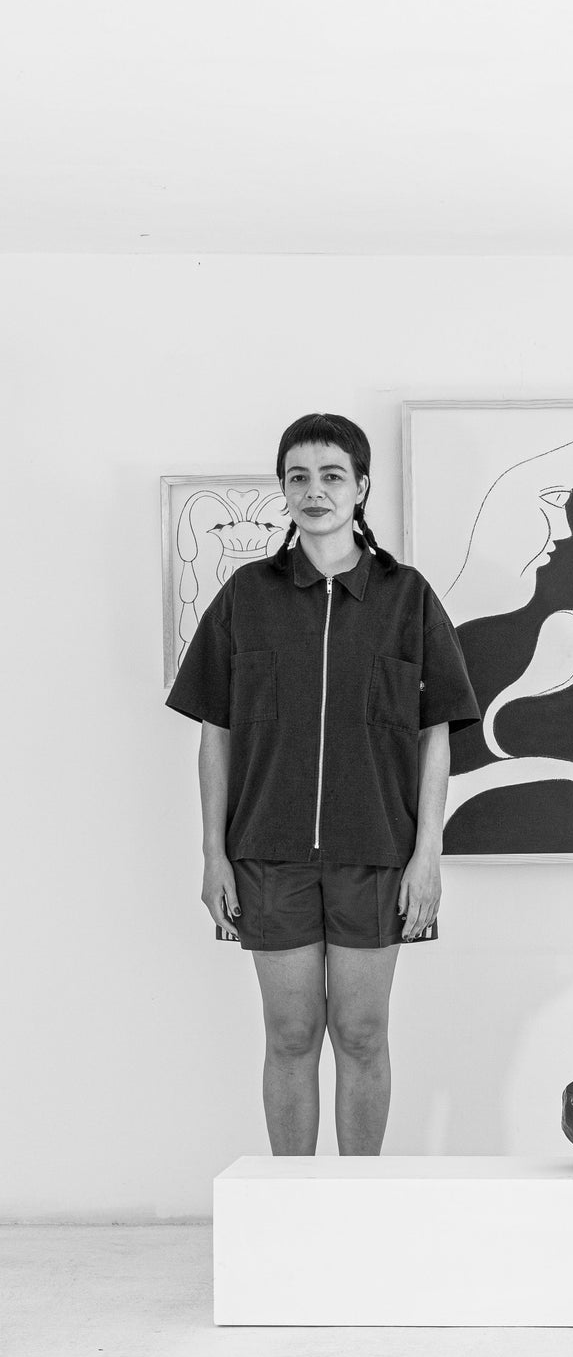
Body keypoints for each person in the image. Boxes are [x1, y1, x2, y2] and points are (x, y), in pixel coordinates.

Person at [166, 414, 480, 1156]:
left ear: (361, 487)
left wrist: (427, 856)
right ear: (283, 490)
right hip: (267, 855)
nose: (315, 491)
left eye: (332, 476)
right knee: (290, 1034)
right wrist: (212, 855)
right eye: (299, 477)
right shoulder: (247, 595)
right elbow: (216, 733)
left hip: (377, 853)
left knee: (363, 1035)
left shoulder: (407, 598)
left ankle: (357, 1203)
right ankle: (292, 1200)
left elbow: (434, 734)